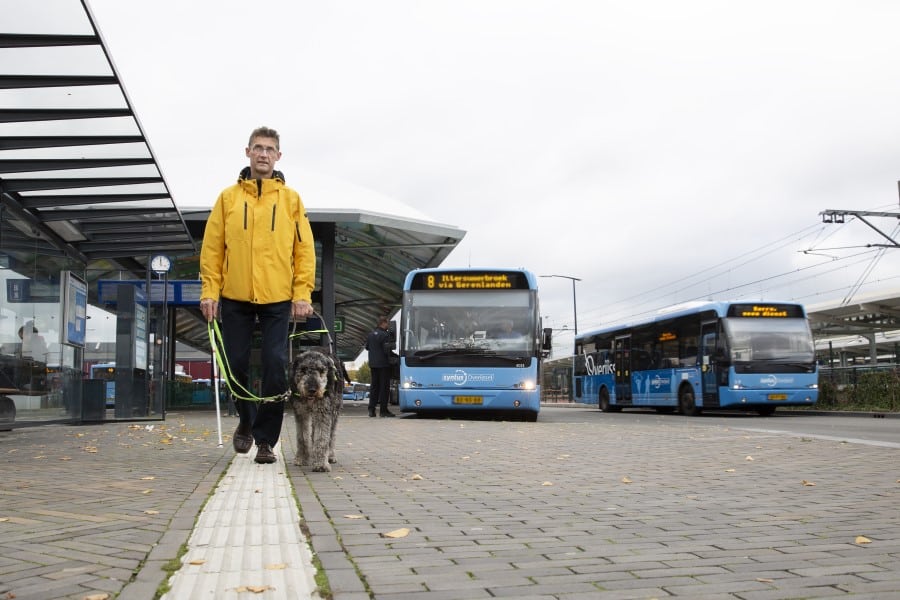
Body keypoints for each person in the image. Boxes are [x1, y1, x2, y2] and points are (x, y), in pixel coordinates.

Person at [200, 126, 316, 464]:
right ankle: (247, 420)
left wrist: (302, 293)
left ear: (278, 156)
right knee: (235, 364)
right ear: (247, 152)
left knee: (275, 366)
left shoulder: (291, 199)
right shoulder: (227, 199)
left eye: (269, 149)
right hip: (235, 296)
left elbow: (303, 251)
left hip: (278, 298)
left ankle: (266, 441)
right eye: (258, 148)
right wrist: (210, 291)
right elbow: (212, 250)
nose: (263, 154)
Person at [366, 316, 395, 418]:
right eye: (387, 324)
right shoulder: (385, 335)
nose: (388, 326)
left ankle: (371, 410)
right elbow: (386, 350)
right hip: (383, 364)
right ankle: (383, 411)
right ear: (383, 323)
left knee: (374, 387)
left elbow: (367, 347)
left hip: (373, 364)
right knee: (384, 388)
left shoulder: (370, 335)